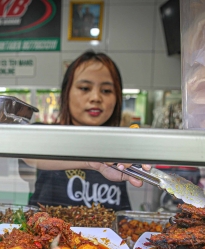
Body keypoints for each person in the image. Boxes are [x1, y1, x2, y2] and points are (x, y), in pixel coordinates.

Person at [22, 51, 151, 211]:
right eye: (84, 88)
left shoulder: (122, 143)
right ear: (66, 93)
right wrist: (93, 161)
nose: (96, 97)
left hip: (110, 234)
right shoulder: (46, 135)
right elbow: (28, 151)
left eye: (106, 91)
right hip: (47, 232)